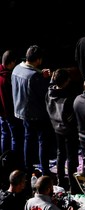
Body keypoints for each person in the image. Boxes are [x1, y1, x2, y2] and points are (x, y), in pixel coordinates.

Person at [12, 46, 53, 174]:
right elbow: (44, 94)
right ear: (38, 60)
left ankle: (28, 168)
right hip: (37, 114)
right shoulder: (34, 76)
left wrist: (41, 73)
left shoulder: (17, 69)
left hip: (21, 111)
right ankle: (45, 170)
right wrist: (47, 80)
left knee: (28, 140)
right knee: (42, 142)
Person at [45, 69, 79, 189]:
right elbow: (71, 119)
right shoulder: (67, 99)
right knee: (71, 157)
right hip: (68, 130)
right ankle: (73, 184)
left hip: (56, 127)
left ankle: (61, 180)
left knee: (60, 154)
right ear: (65, 81)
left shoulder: (49, 93)